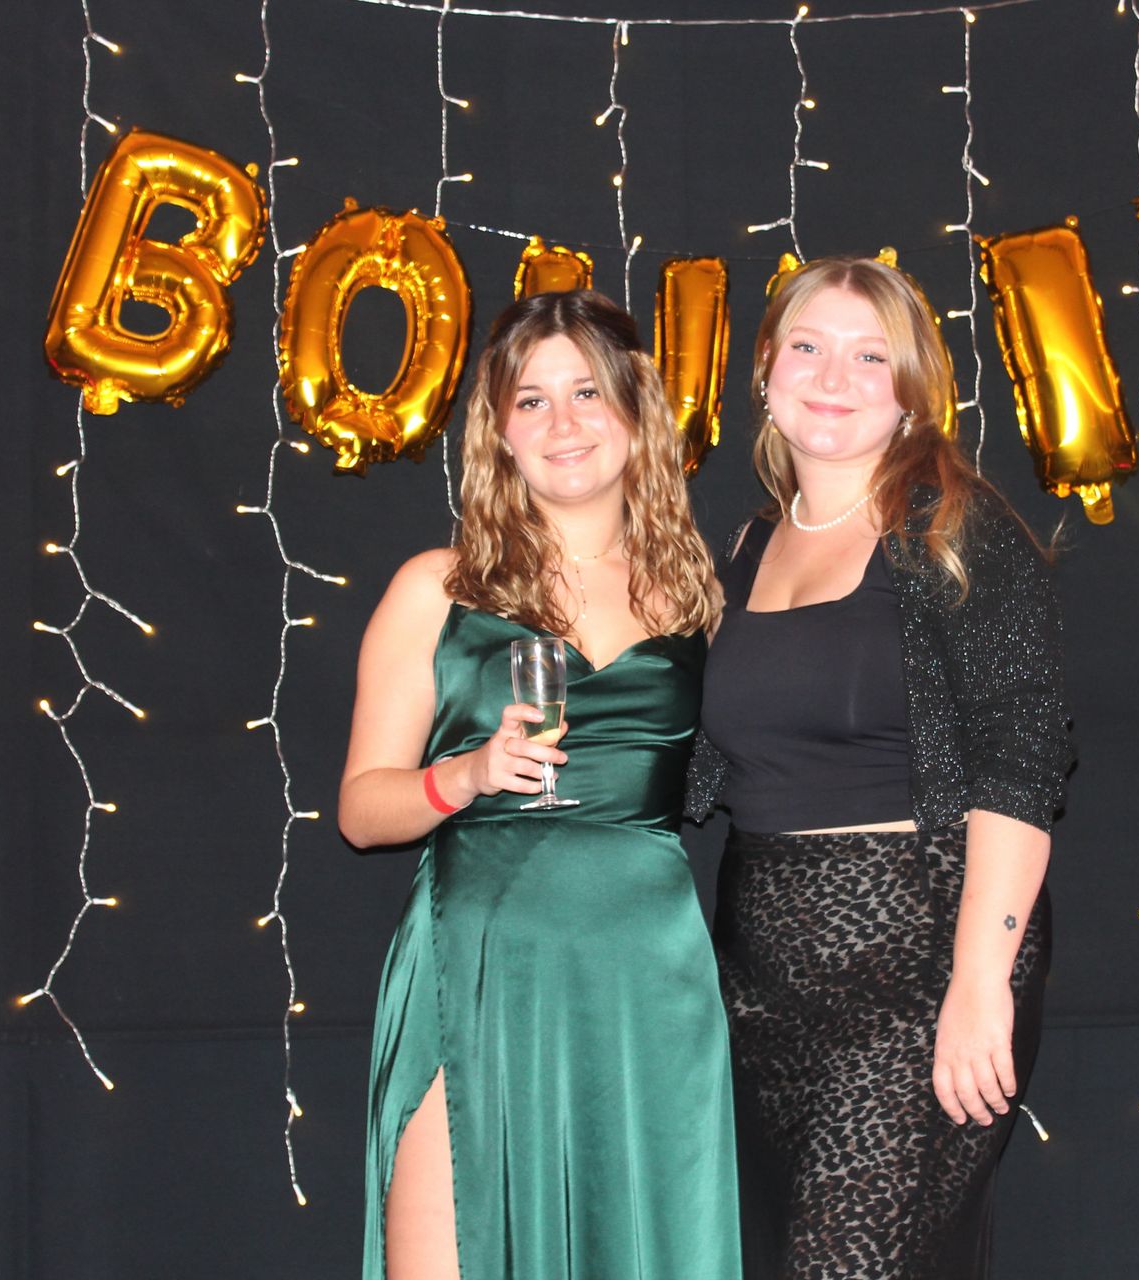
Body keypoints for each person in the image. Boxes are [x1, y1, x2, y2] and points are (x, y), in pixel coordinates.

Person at [686, 256, 1074, 1278]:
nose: (833, 376)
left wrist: (979, 981)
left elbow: (1021, 762)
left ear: (911, 389)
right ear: (765, 368)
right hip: (759, 985)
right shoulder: (747, 547)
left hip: (919, 963)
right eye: (808, 346)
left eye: (870, 356)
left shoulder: (955, 529)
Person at [338, 289, 738, 1280]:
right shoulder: (437, 587)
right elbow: (361, 810)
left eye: (587, 392)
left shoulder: (699, 599)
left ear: (635, 411)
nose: (563, 422)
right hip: (481, 961)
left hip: (644, 976)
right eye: (532, 400)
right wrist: (467, 773)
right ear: (499, 432)